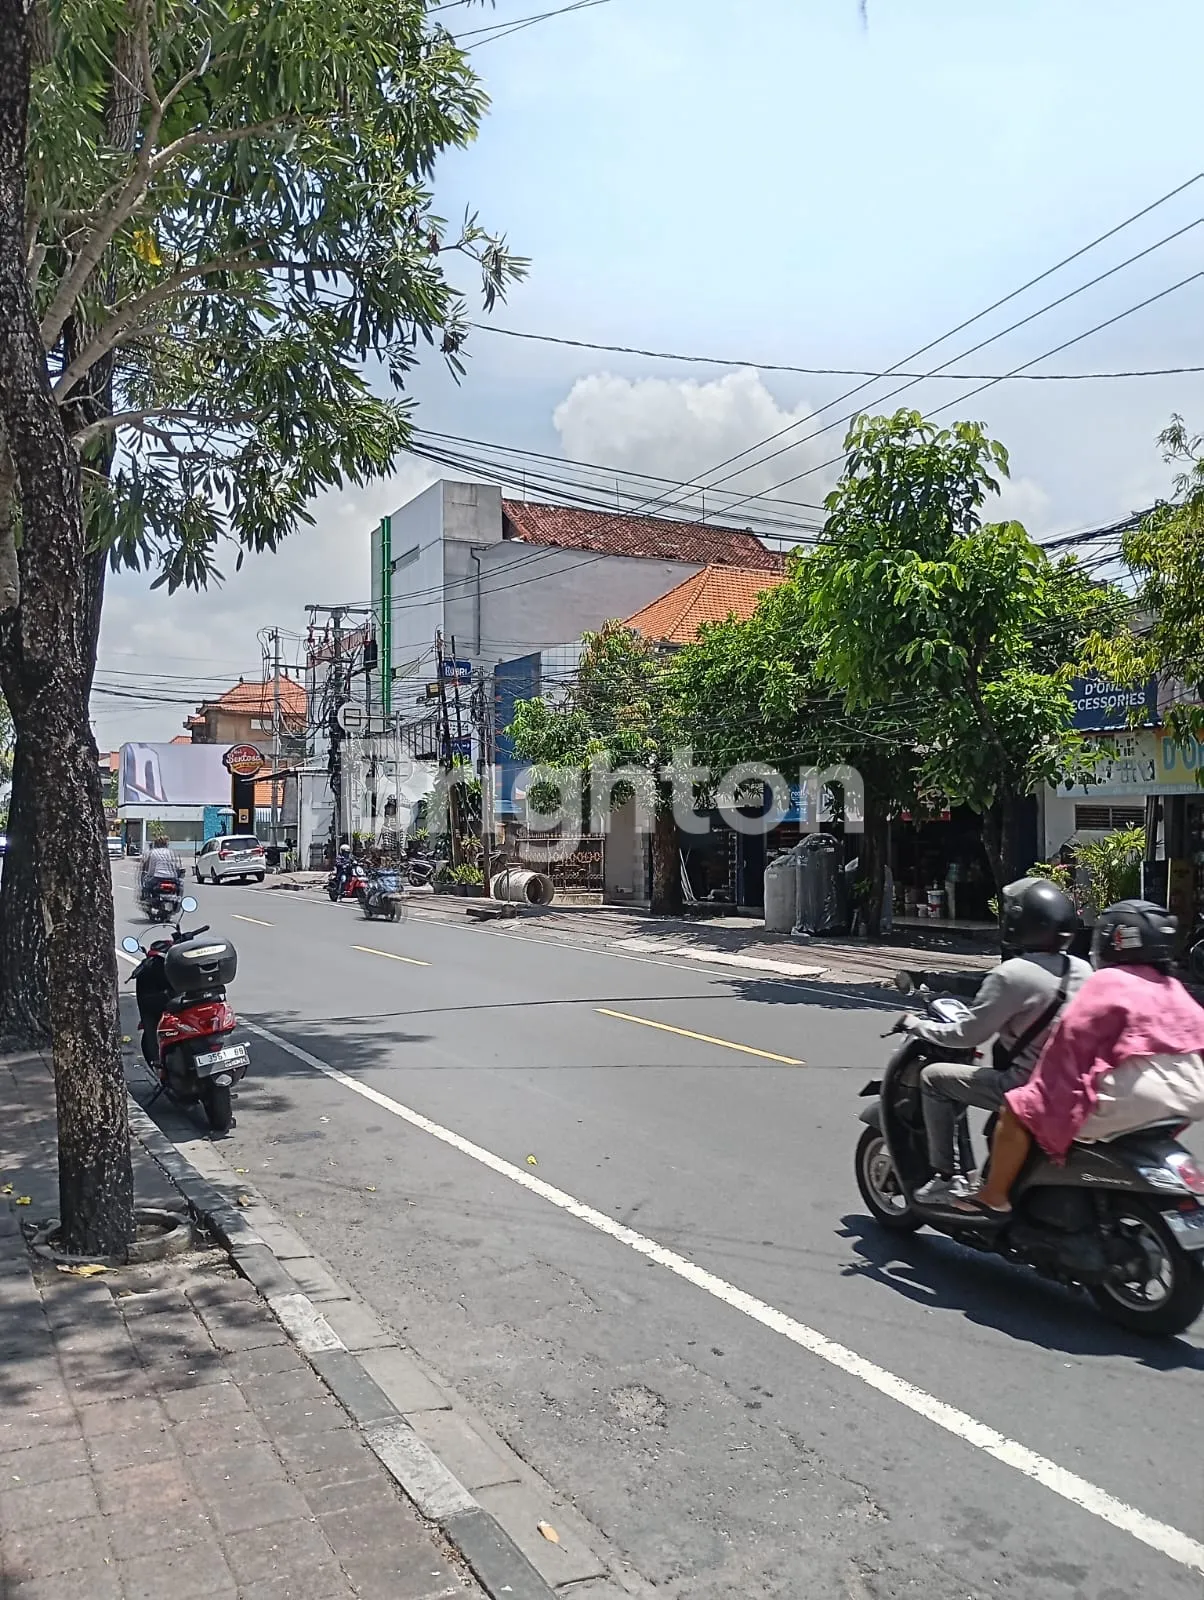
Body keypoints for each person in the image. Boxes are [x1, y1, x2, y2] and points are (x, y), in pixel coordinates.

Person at [963, 900, 1204, 1218]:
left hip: (1135, 1099)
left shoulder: (1106, 982)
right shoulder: (1172, 987)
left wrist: (1040, 1096)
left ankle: (994, 1196)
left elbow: (1070, 1047)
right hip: (1190, 1095)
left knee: (1015, 1110)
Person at [907, 877, 1091, 1205]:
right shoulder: (1082, 969)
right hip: (1076, 1084)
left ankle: (946, 1178)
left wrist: (919, 1027)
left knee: (933, 1078)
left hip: (1026, 1084)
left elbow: (968, 1034)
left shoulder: (1011, 974)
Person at [139, 834, 182, 901]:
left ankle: (147, 899)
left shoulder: (153, 852)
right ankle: (178, 900)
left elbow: (151, 869)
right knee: (180, 886)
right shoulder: (173, 852)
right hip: (172, 878)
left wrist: (148, 876)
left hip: (157, 877)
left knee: (146, 886)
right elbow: (177, 866)